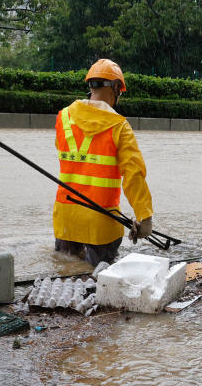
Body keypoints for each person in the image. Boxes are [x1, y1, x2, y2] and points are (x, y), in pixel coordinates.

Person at [52, 59, 153, 266]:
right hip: (102, 222)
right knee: (100, 279)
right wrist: (145, 216)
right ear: (116, 87)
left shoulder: (63, 118)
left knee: (65, 272)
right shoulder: (119, 126)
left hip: (66, 217)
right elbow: (133, 174)